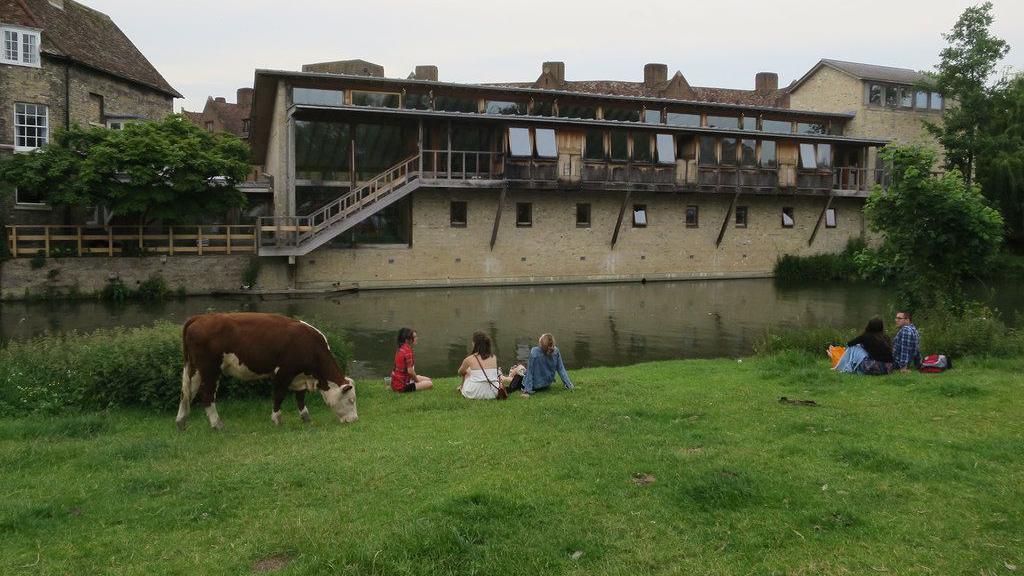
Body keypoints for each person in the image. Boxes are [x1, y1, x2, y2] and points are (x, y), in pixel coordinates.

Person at [458, 331, 512, 400]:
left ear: (475, 344)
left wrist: (468, 372)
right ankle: (462, 387)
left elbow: (460, 372)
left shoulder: (469, 359)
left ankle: (462, 387)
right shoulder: (493, 357)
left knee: (467, 371)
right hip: (493, 392)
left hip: (474, 393)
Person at [520, 333, 574, 397]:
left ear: (541, 343)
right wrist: (569, 385)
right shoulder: (556, 351)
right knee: (519, 370)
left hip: (534, 386)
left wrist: (527, 391)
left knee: (518, 369)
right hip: (546, 384)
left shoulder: (534, 351)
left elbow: (530, 372)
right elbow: (561, 369)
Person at [390, 328, 433, 393]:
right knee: (430, 384)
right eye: (414, 337)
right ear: (408, 340)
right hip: (403, 386)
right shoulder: (407, 351)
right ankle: (414, 385)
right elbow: (410, 371)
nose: (417, 338)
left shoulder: (401, 348)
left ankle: (417, 382)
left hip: (395, 384)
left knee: (429, 380)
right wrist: (417, 382)